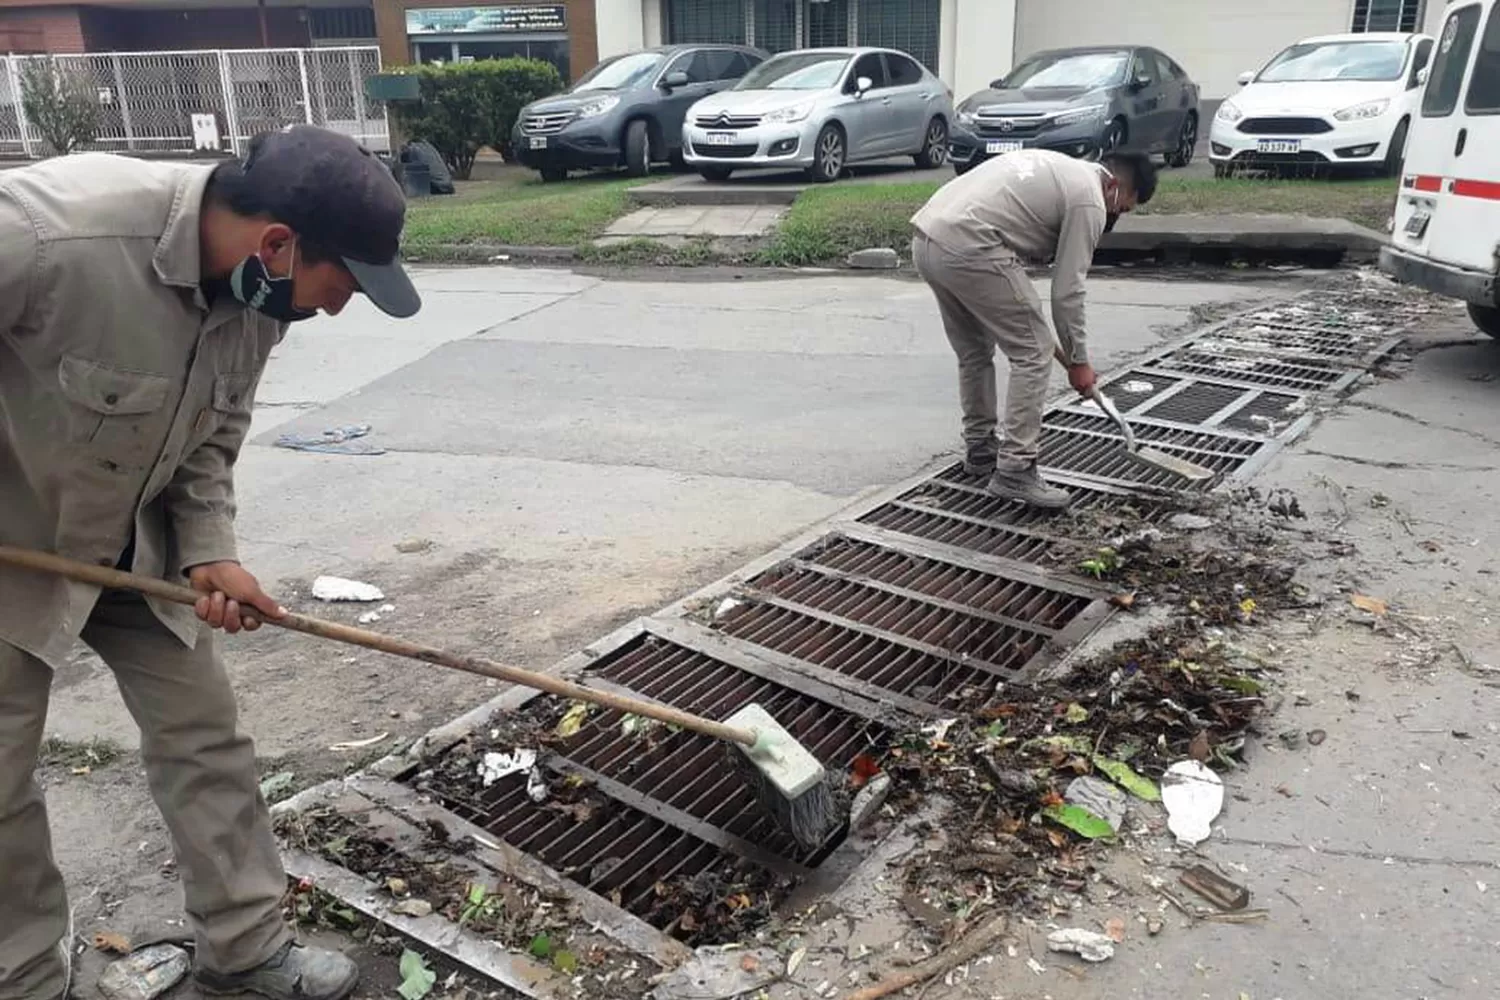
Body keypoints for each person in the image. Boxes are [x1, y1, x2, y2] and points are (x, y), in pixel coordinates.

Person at [0, 125, 421, 1000]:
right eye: (339, 284)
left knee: (209, 742)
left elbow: (211, 436)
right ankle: (27, 981)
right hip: (14, 542)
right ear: (278, 243)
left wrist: (208, 553)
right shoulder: (47, 237)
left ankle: (246, 949)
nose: (337, 308)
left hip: (134, 543)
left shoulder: (257, 300)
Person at [910, 148, 1157, 510]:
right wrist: (1079, 361)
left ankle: (981, 450)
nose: (1115, 217)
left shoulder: (1062, 169)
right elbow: (1068, 291)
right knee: (1034, 351)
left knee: (975, 351)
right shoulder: (1090, 199)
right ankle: (1015, 470)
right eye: (1123, 208)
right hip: (971, 244)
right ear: (1115, 186)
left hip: (929, 239)